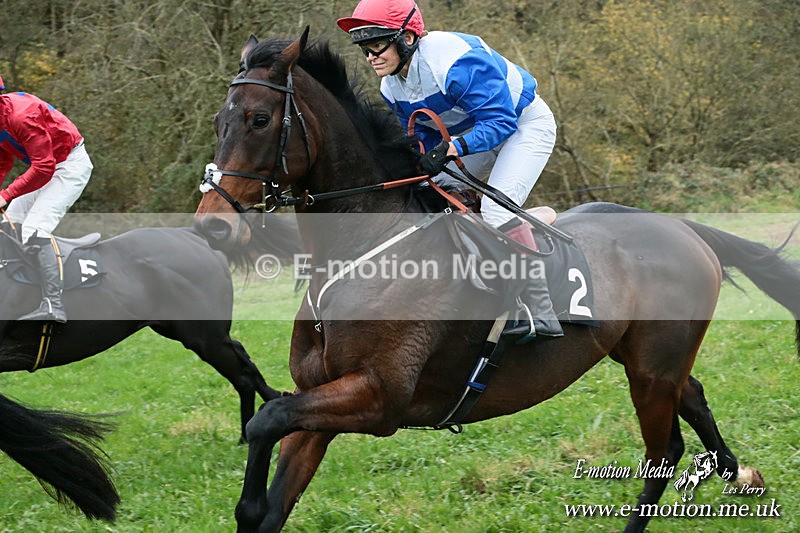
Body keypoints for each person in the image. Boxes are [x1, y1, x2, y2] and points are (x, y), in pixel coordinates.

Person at [337, 0, 562, 339]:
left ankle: (541, 311)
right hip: (476, 134)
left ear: (407, 39)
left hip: (523, 125)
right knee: (425, 191)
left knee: (497, 210)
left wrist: (451, 148)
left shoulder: (454, 60)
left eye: (378, 44)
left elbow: (501, 122)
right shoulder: (391, 87)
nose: (370, 56)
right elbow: (424, 136)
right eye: (365, 48)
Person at [0, 85, 93, 323]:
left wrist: (7, 194)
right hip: (45, 168)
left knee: (34, 229)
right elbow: (3, 161)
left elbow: (44, 167)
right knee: (10, 223)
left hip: (69, 165)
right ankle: (22, 289)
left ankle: (54, 304)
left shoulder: (21, 116)